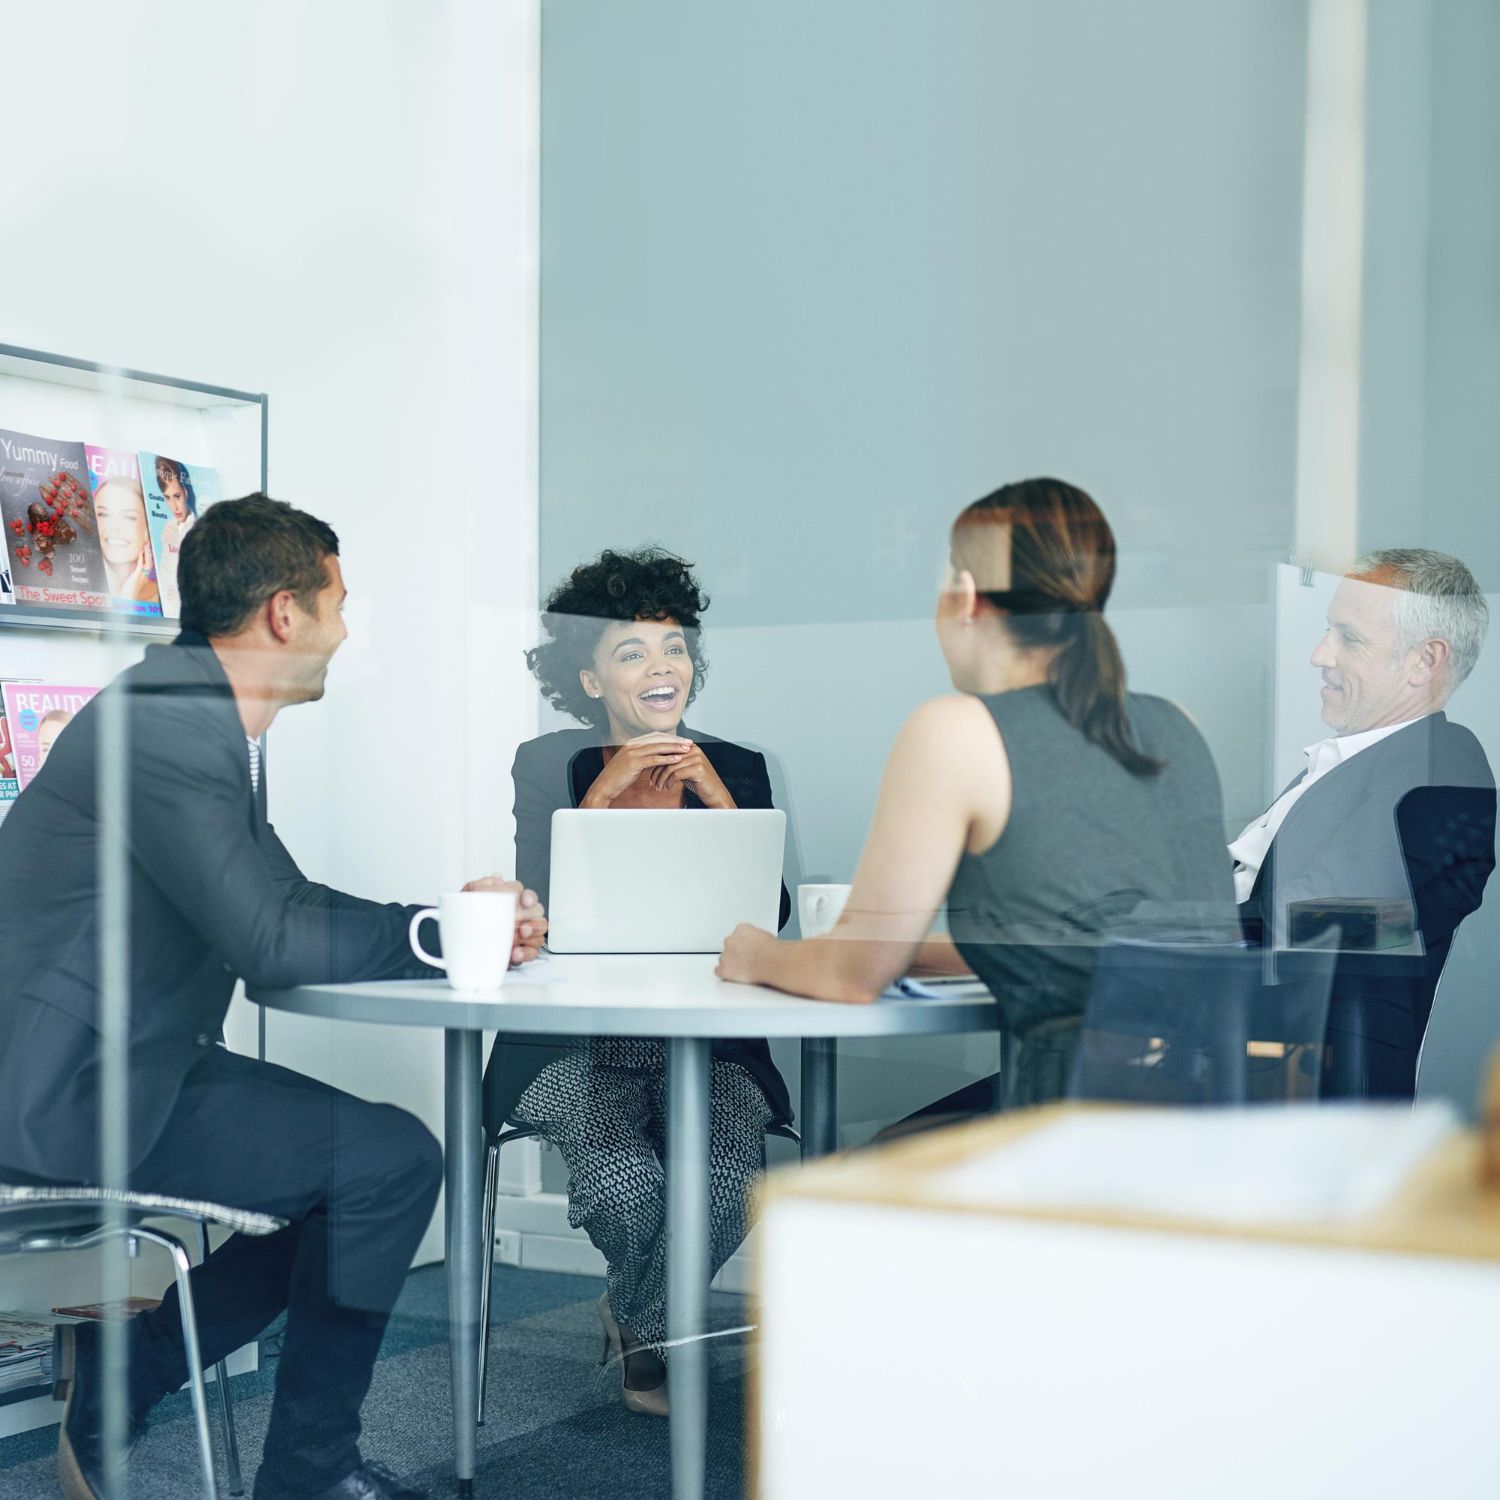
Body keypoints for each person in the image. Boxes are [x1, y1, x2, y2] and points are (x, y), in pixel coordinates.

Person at [0, 495, 546, 1500]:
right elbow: (267, 943)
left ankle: (137, 1378)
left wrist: (446, 925)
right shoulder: (169, 726)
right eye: (338, 604)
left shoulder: (182, 713)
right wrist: (440, 935)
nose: (345, 631)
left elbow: (282, 902)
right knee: (384, 1165)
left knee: (369, 1171)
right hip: (60, 1090)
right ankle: (303, 1472)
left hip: (122, 1064)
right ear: (286, 613)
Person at [718, 477, 1231, 1112]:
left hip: (1080, 1123)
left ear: (964, 596)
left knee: (847, 1170)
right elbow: (1084, 939)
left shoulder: (955, 731)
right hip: (1217, 1114)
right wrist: (905, 952)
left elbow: (852, 976)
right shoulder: (1175, 726)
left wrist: (757, 955)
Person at [492, 546, 791, 1416]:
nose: (662, 668)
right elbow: (542, 912)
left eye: (674, 648)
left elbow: (766, 923)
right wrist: (604, 795)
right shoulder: (550, 763)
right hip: (579, 1045)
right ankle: (652, 1327)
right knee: (628, 1189)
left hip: (713, 1046)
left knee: (727, 1189)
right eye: (632, 652)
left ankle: (635, 1322)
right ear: (590, 680)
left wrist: (719, 801)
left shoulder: (738, 765)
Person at [1232, 549, 1495, 1098]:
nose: (1319, 654)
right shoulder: (1359, 765)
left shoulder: (1440, 764)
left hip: (1313, 1087)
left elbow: (1333, 920)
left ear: (1425, 661)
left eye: (1349, 638)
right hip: (1258, 1061)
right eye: (1328, 631)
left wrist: (1162, 924)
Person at [92, 473, 161, 609]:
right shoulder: (78, 591)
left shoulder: (165, 600)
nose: (115, 527)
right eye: (103, 514)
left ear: (147, 531)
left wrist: (127, 599)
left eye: (129, 517)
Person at [153, 455, 198, 617]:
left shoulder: (200, 533)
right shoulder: (167, 530)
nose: (173, 506)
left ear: (185, 493)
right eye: (167, 498)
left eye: (177, 496)